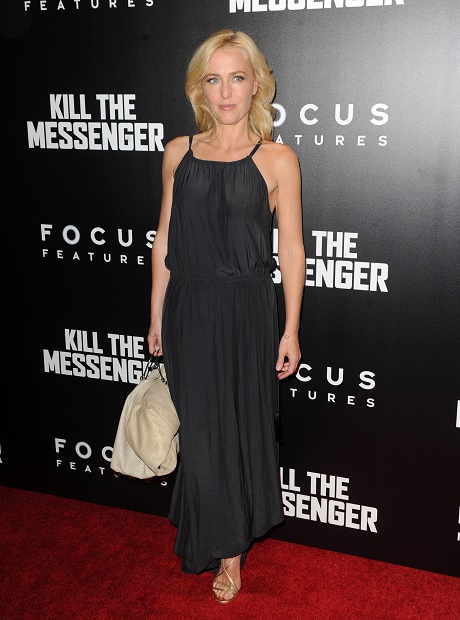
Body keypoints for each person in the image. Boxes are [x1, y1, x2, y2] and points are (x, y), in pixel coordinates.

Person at [147, 29, 305, 604]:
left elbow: (292, 249)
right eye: (213, 80)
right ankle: (210, 527)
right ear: (200, 89)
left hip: (245, 312)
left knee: (235, 429)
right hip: (188, 309)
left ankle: (231, 551)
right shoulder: (177, 153)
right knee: (201, 431)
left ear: (256, 84)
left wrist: (291, 329)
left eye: (237, 77)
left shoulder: (278, 159)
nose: (226, 91)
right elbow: (165, 240)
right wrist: (156, 316)